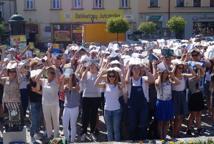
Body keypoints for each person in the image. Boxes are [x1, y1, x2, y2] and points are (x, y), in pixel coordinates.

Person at [125, 59, 154, 140]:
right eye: (134, 68)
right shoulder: (130, 79)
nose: (136, 70)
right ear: (132, 70)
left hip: (143, 106)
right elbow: (126, 81)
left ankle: (143, 140)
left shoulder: (144, 79)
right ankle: (133, 140)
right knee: (132, 124)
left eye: (138, 68)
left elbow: (152, 80)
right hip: (132, 106)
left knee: (143, 124)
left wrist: (145, 70)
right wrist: (129, 69)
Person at [95, 67, 123, 141]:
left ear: (115, 76)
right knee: (109, 130)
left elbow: (124, 84)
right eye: (109, 76)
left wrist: (120, 73)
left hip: (116, 110)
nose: (111, 78)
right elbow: (96, 84)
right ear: (107, 77)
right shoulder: (105, 85)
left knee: (116, 130)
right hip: (107, 110)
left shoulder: (118, 85)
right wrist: (101, 74)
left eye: (113, 76)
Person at [36, 66, 63, 139]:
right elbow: (36, 79)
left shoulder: (56, 81)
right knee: (47, 120)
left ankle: (56, 136)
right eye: (49, 72)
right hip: (45, 104)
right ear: (47, 73)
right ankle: (49, 135)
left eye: (52, 72)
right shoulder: (44, 81)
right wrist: (42, 70)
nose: (51, 73)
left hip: (54, 104)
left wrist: (54, 69)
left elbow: (59, 79)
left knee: (55, 120)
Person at [172, 60, 195, 138]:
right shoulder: (172, 76)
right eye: (179, 67)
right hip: (175, 96)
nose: (181, 69)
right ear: (176, 68)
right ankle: (174, 133)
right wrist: (175, 66)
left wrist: (188, 66)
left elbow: (193, 74)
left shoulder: (183, 75)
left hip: (182, 95)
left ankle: (177, 133)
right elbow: (171, 74)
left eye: (182, 68)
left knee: (181, 116)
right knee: (176, 117)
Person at [155, 65, 179, 139]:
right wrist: (159, 75)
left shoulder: (169, 80)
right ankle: (161, 137)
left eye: (166, 73)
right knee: (160, 122)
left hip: (168, 102)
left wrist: (172, 75)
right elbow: (157, 84)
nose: (165, 74)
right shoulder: (157, 80)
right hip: (161, 102)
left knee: (167, 121)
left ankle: (164, 136)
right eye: (164, 73)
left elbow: (178, 82)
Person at [80, 60, 100, 141]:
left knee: (93, 115)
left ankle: (92, 132)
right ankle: (84, 132)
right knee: (85, 115)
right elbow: (82, 78)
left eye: (93, 65)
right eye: (90, 65)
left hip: (95, 97)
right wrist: (86, 68)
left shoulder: (98, 74)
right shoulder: (86, 73)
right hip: (86, 96)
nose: (91, 66)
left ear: (96, 66)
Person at [62, 70, 80, 143]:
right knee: (65, 125)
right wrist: (63, 80)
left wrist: (70, 79)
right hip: (66, 107)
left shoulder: (77, 84)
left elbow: (72, 88)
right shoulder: (66, 85)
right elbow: (61, 89)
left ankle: (72, 141)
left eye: (71, 76)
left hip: (74, 108)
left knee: (73, 125)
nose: (70, 77)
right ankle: (66, 140)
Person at [28, 70, 43, 141]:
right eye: (34, 76)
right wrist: (39, 91)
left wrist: (39, 91)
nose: (36, 77)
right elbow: (38, 91)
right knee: (34, 121)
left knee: (39, 119)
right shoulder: (29, 85)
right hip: (33, 104)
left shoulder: (39, 83)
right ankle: (32, 135)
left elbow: (41, 92)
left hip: (40, 103)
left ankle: (36, 133)